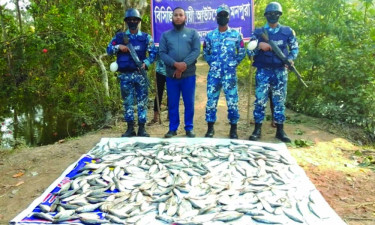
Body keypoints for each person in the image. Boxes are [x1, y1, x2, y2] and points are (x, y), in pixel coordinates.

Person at [246, 2, 298, 142]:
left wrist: (291, 59)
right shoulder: (258, 32)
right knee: (260, 101)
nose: (273, 16)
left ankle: (280, 131)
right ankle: (257, 129)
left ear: (280, 15)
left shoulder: (287, 31)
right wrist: (259, 46)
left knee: (279, 101)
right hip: (263, 71)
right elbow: (249, 50)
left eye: (276, 13)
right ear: (266, 15)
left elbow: (294, 49)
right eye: (270, 14)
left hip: (280, 71)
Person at [107, 8, 156, 137]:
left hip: (140, 74)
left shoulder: (146, 37)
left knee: (142, 102)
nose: (132, 21)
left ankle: (141, 129)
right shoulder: (119, 37)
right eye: (130, 20)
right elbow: (108, 49)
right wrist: (119, 47)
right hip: (125, 75)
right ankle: (130, 129)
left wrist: (147, 63)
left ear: (139, 21)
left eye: (135, 19)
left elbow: (153, 53)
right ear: (126, 21)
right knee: (127, 102)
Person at [203, 4, 246, 139]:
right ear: (216, 17)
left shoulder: (236, 35)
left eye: (225, 15)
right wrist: (213, 63)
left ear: (229, 17)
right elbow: (205, 52)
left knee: (232, 101)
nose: (222, 17)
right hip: (214, 75)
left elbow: (242, 51)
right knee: (211, 101)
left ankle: (233, 129)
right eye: (220, 15)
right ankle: (210, 128)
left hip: (230, 75)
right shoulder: (210, 36)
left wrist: (233, 63)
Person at [159, 7, 201, 138]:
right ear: (172, 18)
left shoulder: (193, 33)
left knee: (189, 102)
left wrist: (183, 65)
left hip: (188, 75)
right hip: (171, 75)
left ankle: (189, 128)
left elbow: (196, 51)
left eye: (180, 15)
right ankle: (173, 128)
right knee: (173, 103)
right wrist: (175, 65)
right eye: (175, 15)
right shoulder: (165, 35)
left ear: (185, 18)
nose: (178, 17)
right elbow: (162, 53)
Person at [148, 47, 168, 125]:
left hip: (171, 71)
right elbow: (153, 56)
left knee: (172, 93)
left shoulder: (173, 38)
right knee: (158, 93)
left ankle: (170, 116)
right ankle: (155, 117)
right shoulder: (158, 40)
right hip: (160, 71)